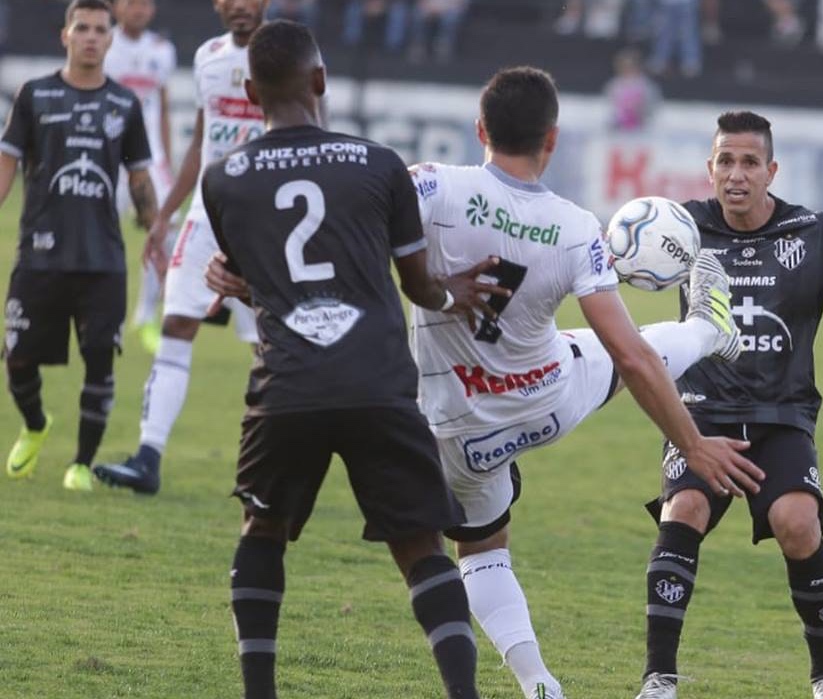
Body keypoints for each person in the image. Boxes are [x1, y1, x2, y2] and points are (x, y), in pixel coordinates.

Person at [207, 65, 766, 699]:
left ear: (479, 129)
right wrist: (693, 444)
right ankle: (711, 327)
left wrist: (250, 275)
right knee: (635, 347)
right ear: (551, 139)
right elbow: (632, 357)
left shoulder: (428, 185)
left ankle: (538, 681)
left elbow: (336, 242)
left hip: (456, 428)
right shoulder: (575, 226)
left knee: (479, 550)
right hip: (549, 397)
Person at [200, 19, 508, 699]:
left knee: (263, 529)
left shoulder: (223, 179)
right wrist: (453, 292)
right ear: (320, 80)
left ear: (249, 92)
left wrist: (239, 283)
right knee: (421, 545)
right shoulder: (379, 163)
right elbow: (418, 286)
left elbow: (269, 281)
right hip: (377, 381)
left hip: (288, 385)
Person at [635, 110, 823, 699]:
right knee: (685, 508)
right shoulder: (684, 227)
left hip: (782, 416)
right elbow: (621, 257)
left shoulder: (813, 231)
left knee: (797, 524)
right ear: (710, 168)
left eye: (750, 162)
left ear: (771, 170)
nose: (737, 174)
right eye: (726, 161)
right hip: (701, 413)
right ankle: (658, 680)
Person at [93, 0, 270, 495]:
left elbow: (310, 130)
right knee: (176, 324)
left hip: (265, 221)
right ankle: (147, 458)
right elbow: (201, 143)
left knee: (270, 346)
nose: (240, 5)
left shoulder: (288, 51)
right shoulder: (207, 56)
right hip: (206, 215)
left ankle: (275, 470)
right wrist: (164, 214)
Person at [1, 0, 155, 491]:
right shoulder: (35, 95)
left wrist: (155, 230)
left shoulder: (124, 104)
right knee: (17, 359)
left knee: (100, 360)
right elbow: (7, 164)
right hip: (40, 254)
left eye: (99, 30)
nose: (91, 37)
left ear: (111, 39)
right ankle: (36, 424)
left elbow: (140, 178)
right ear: (65, 35)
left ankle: (82, 465)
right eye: (82, 28)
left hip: (103, 259)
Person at [104, 0, 177, 354]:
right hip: (108, 156)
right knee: (101, 235)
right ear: (115, 7)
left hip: (150, 158)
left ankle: (146, 316)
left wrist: (168, 161)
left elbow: (162, 107)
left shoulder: (162, 51)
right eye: (131, 2)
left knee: (166, 232)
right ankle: (105, 316)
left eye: (145, 3)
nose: (139, 9)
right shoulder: (102, 42)